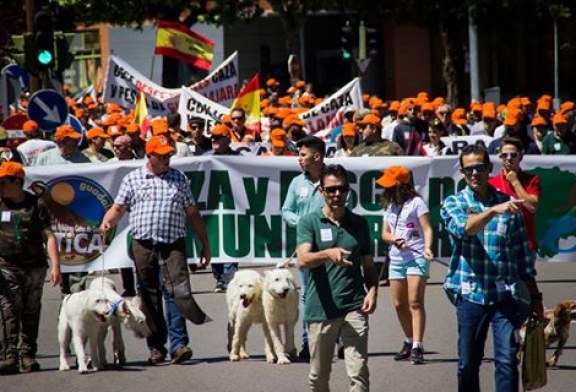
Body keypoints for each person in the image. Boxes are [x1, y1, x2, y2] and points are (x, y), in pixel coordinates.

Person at [100, 135, 212, 365]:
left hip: (173, 243)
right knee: (149, 295)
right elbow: (119, 207)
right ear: (149, 156)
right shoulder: (133, 179)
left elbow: (192, 212)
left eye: (169, 154)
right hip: (143, 243)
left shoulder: (178, 179)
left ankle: (179, 345)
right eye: (161, 155)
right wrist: (107, 221)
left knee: (178, 292)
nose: (166, 159)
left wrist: (205, 243)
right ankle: (156, 346)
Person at [440, 144, 544, 392]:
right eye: (468, 170)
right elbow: (464, 228)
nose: (474, 174)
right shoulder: (453, 202)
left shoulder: (510, 206)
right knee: (468, 364)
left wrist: (535, 296)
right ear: (462, 173)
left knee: (507, 360)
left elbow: (522, 256)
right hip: (470, 294)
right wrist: (492, 210)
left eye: (479, 168)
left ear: (489, 168)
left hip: (505, 295)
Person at [297, 164, 378, 392]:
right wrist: (327, 254)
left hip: (354, 306)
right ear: (322, 191)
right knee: (319, 377)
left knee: (359, 373)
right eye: (331, 189)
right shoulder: (309, 222)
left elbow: (369, 265)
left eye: (342, 189)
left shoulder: (359, 223)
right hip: (321, 309)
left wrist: (373, 290)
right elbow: (302, 260)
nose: (337, 194)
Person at [0, 162, 61, 374]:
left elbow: (48, 236)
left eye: (4, 182)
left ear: (18, 182)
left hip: (34, 267)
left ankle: (28, 354)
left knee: (31, 310)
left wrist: (56, 265)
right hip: (6, 266)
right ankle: (8, 356)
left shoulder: (36, 204)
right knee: (8, 309)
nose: (1, 186)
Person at [377, 166, 433, 365]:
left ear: (401, 185)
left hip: (416, 257)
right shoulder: (389, 206)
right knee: (399, 304)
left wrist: (427, 248)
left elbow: (427, 228)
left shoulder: (417, 203)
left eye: (391, 185)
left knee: (415, 301)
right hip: (396, 258)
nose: (387, 189)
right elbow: (384, 233)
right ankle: (409, 340)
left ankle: (418, 345)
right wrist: (395, 239)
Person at [281, 135, 326, 361]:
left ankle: (333, 339)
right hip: (305, 248)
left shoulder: (333, 179)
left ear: (316, 156)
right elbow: (286, 210)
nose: (299, 159)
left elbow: (346, 206)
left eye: (303, 154)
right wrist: (302, 222)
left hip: (331, 248)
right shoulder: (296, 183)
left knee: (331, 292)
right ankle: (308, 342)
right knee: (307, 296)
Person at [489, 137, 540, 253]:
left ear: (520, 157)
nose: (508, 158)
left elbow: (532, 207)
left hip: (525, 243)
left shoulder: (532, 180)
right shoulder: (491, 183)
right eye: (504, 155)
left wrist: (515, 182)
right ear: (500, 158)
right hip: (499, 244)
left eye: (513, 155)